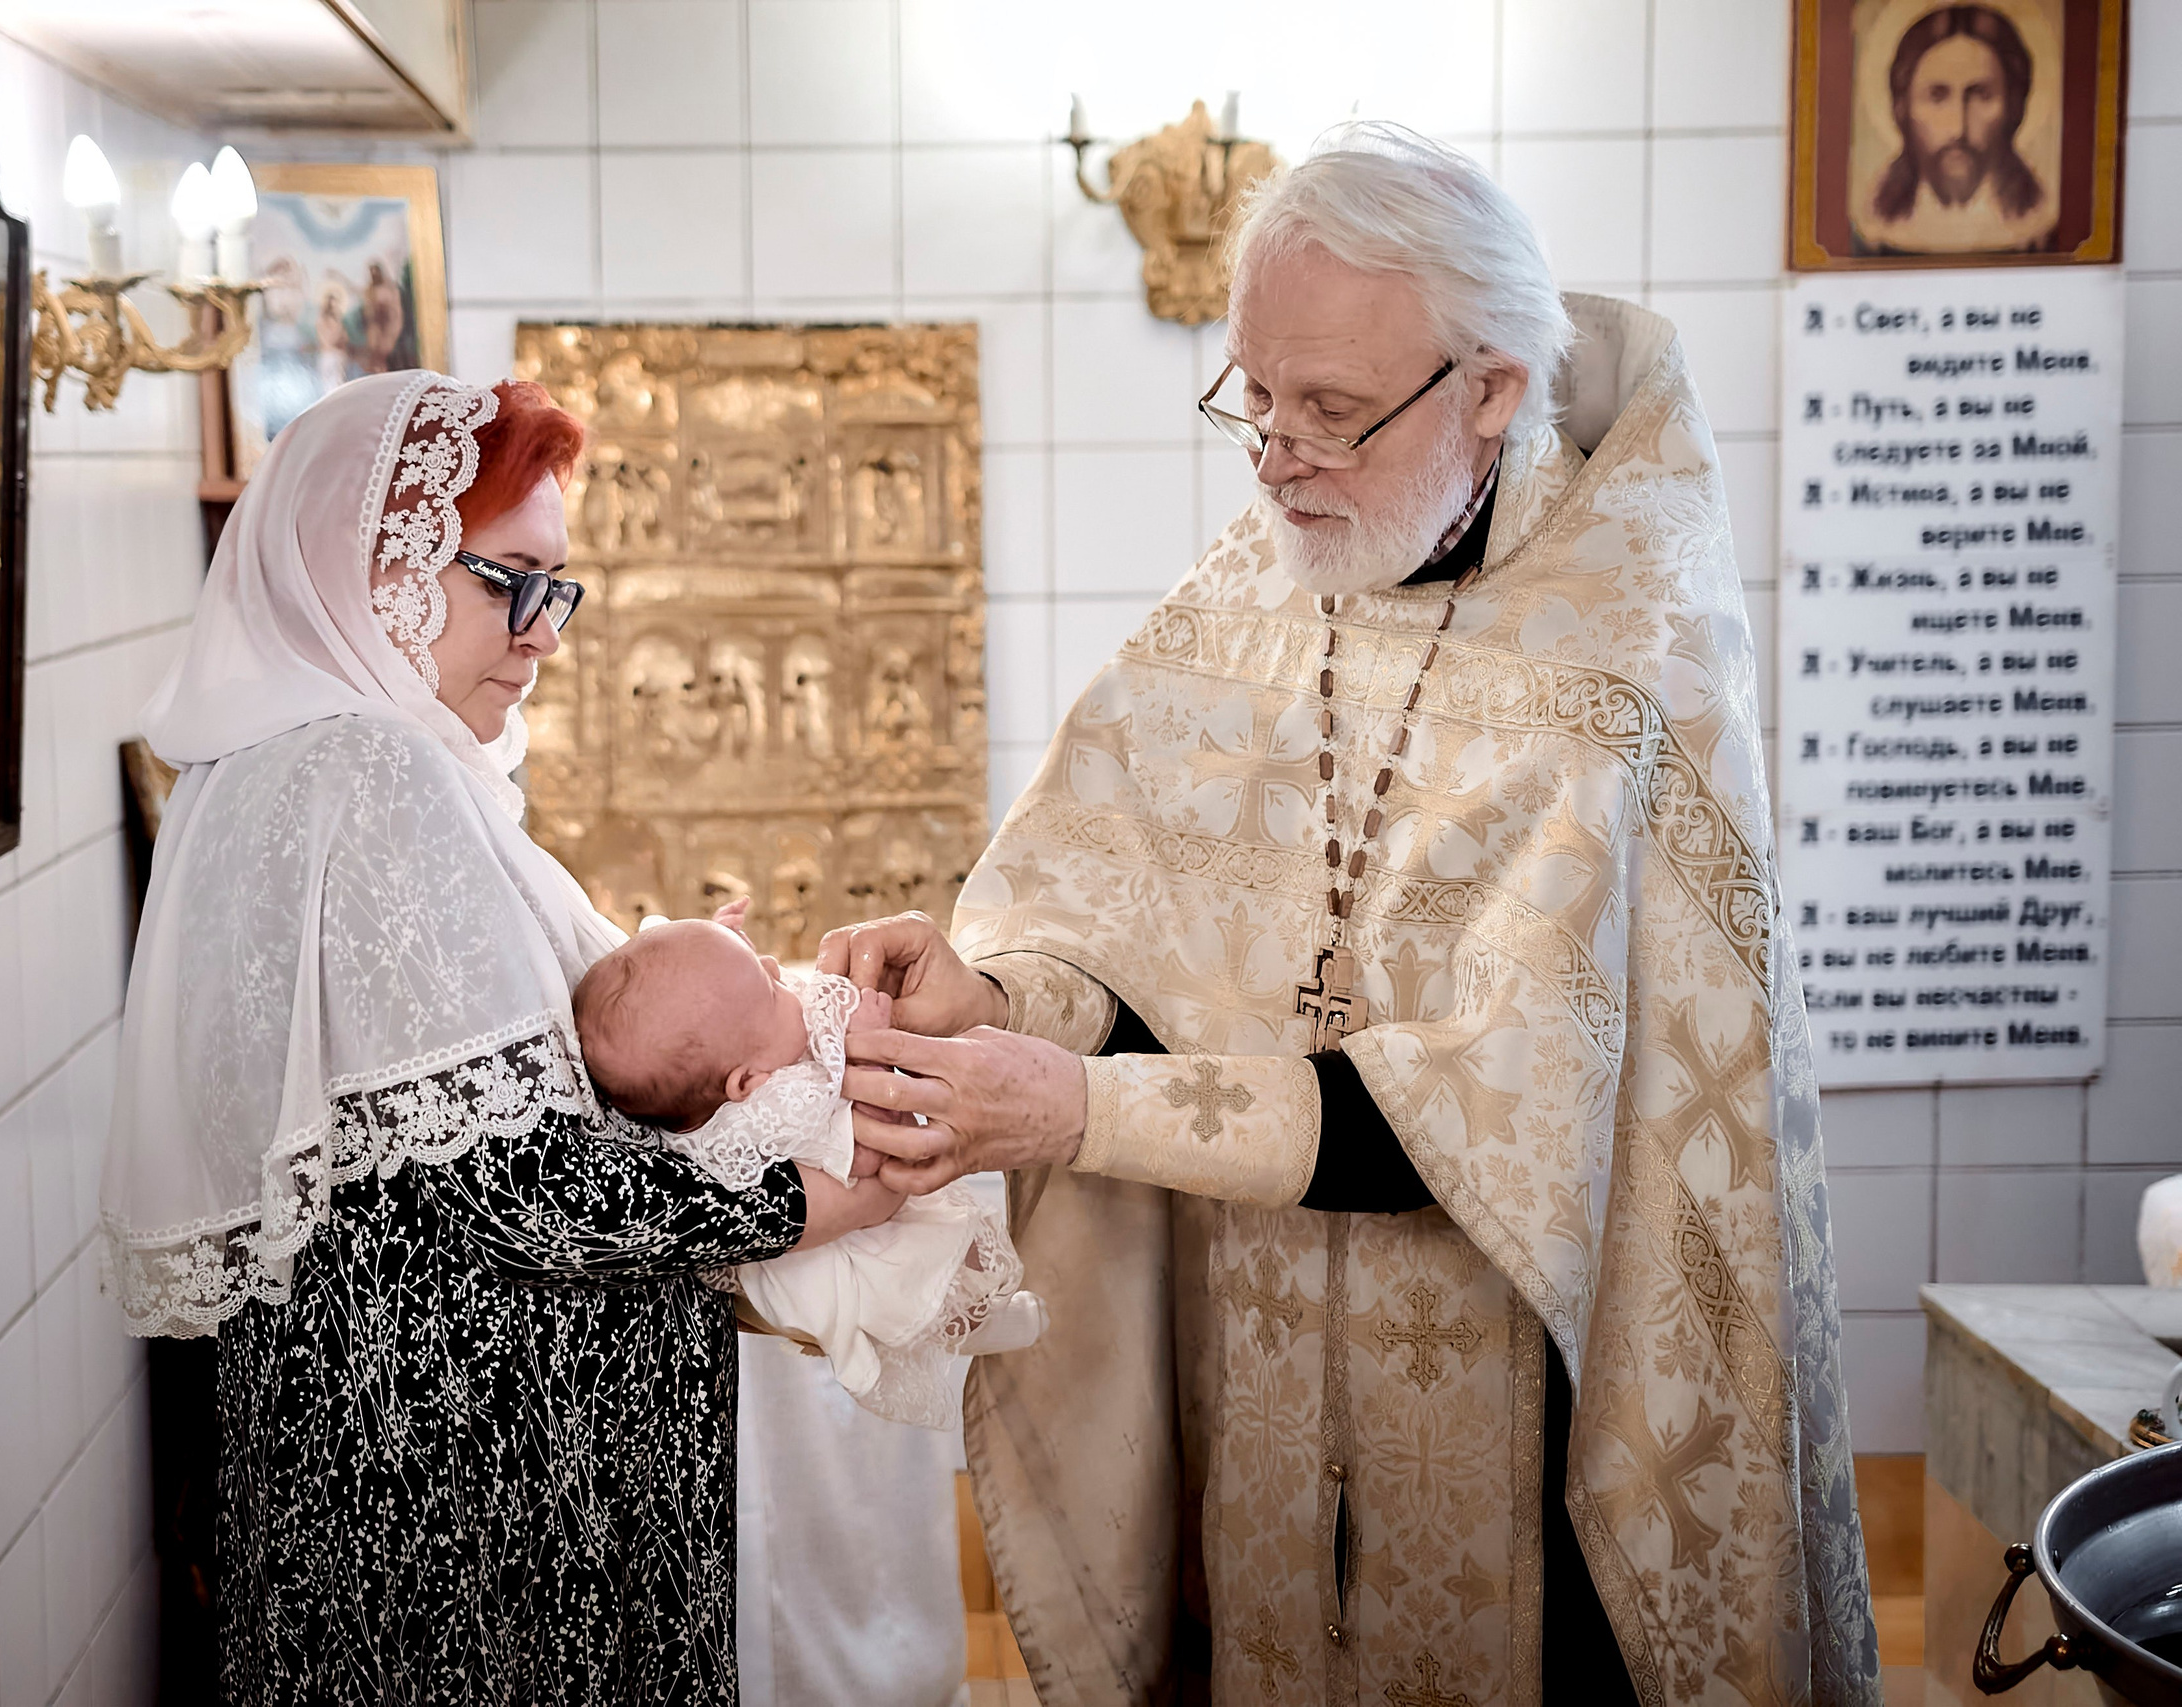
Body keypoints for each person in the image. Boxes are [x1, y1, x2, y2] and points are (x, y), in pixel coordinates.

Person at [823, 124, 1880, 1705]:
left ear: (1493, 387)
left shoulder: (1615, 669)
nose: (1275, 457)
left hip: (1521, 1394)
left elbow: (1495, 1113)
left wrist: (1073, 1105)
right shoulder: (1245, 593)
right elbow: (1125, 927)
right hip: (1252, 1356)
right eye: (1253, 394)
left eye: (1330, 410)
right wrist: (1001, 997)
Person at [98, 369, 899, 1704]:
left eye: (557, 588)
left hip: (421, 1455)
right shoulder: (363, 769)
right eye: (505, 579)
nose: (541, 633)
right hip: (471, 1494)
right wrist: (804, 1199)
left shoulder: (291, 763)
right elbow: (513, 1182)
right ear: (371, 566)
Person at [575, 911, 1045, 1427]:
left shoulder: (712, 1089)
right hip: (829, 1252)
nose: (778, 970)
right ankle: (985, 1326)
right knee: (918, 1280)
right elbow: (867, 1159)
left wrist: (722, 944)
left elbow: (696, 1008)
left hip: (795, 1234)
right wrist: (869, 1057)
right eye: (770, 991)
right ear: (746, 1082)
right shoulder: (775, 1111)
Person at [1860, 4, 2054, 254]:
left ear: (2014, 107)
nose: (1958, 129)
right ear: (1902, 107)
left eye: (1981, 95)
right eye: (1937, 96)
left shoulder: (2037, 224)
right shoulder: (1877, 227)